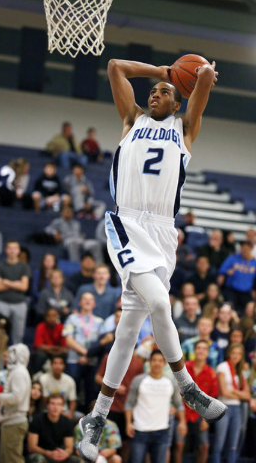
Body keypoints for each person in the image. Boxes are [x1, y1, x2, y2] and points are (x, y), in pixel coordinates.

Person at [78, 57, 227, 462]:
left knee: (128, 331)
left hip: (163, 233)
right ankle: (189, 388)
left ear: (177, 105)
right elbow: (114, 67)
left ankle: (95, 417)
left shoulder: (185, 129)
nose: (156, 95)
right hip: (127, 223)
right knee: (162, 304)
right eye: (154, 92)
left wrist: (205, 79)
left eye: (165, 93)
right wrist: (162, 73)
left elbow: (202, 88)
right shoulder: (132, 119)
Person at [125, 349, 186, 463]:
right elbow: (129, 404)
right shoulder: (139, 380)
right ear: (149, 362)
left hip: (162, 431)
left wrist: (182, 422)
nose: (157, 363)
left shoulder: (170, 382)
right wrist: (129, 423)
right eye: (154, 360)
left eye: (160, 361)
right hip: (140, 430)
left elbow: (179, 404)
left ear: (164, 363)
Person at [0, 343, 31, 463]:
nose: (8, 358)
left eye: (11, 354)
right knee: (6, 459)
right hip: (10, 421)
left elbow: (16, 397)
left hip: (14, 422)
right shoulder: (17, 371)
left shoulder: (19, 373)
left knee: (12, 459)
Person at [63, 292, 103, 412]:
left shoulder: (100, 322)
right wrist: (87, 353)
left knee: (91, 391)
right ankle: (71, 415)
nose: (87, 301)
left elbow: (101, 343)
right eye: (84, 299)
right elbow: (69, 340)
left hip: (92, 361)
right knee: (72, 390)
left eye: (90, 300)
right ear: (79, 302)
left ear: (94, 304)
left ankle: (89, 418)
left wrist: (89, 357)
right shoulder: (72, 318)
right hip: (74, 359)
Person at [211, 343, 251, 463]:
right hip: (223, 407)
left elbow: (248, 395)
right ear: (229, 353)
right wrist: (239, 393)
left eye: (239, 354)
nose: (236, 356)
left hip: (237, 409)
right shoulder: (222, 367)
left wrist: (234, 391)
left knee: (233, 445)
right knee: (220, 442)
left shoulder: (241, 371)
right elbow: (223, 392)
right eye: (234, 353)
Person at [183, 340, 219, 463]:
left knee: (204, 446)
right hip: (182, 411)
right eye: (198, 348)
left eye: (204, 349)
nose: (201, 351)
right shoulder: (185, 367)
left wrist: (206, 419)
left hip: (200, 414)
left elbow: (213, 398)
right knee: (179, 444)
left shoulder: (211, 373)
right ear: (194, 350)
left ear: (208, 353)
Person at [0, 239, 31, 344]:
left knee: (18, 336)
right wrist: (16, 284)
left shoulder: (24, 266)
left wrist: (6, 282)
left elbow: (24, 287)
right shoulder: (1, 266)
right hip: (2, 302)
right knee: (0, 334)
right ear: (6, 250)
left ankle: (16, 359)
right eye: (10, 248)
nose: (12, 251)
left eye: (15, 248)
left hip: (19, 304)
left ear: (19, 251)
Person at [27, 393, 81, 463]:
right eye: (53, 404)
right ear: (47, 406)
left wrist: (65, 453)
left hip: (59, 454)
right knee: (38, 459)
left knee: (76, 460)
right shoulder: (37, 420)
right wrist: (48, 453)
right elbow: (31, 447)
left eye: (59, 404)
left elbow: (69, 448)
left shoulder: (67, 422)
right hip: (43, 454)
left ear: (62, 407)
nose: (56, 407)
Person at [218, 240, 256, 316]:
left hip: (246, 292)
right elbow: (222, 269)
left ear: (250, 249)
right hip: (232, 290)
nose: (245, 250)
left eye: (247, 248)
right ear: (240, 248)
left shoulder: (254, 262)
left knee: (248, 310)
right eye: (243, 248)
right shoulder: (233, 258)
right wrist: (226, 272)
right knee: (229, 308)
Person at [39, 354, 77, 421]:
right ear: (51, 365)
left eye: (60, 363)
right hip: (48, 410)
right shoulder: (43, 379)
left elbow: (73, 401)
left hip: (65, 410)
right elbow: (45, 401)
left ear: (64, 366)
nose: (58, 366)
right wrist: (60, 413)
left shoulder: (70, 380)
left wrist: (71, 414)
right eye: (55, 363)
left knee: (81, 417)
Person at [31, 308, 67, 374]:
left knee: (66, 354)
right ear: (45, 317)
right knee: (39, 355)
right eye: (49, 316)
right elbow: (39, 346)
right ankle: (35, 376)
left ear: (57, 317)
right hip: (45, 353)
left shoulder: (61, 327)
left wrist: (52, 349)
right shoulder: (40, 327)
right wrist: (55, 348)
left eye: (54, 316)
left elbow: (65, 347)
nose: (52, 318)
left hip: (57, 353)